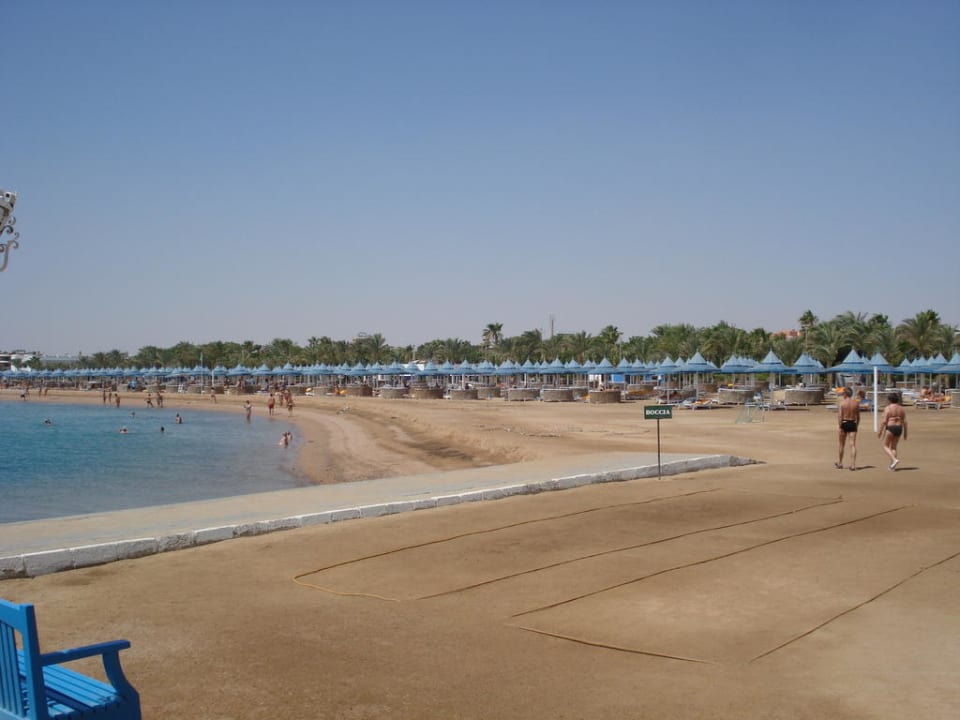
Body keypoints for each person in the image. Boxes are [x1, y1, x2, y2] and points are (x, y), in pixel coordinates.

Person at [878, 392, 908, 470]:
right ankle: (893, 466)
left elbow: (884, 421)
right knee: (894, 447)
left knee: (885, 446)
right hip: (899, 428)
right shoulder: (901, 408)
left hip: (891, 427)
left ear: (889, 400)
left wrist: (880, 431)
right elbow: (905, 422)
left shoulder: (888, 408)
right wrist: (905, 433)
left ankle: (894, 460)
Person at [836, 387, 860, 470]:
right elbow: (858, 416)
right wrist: (857, 425)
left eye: (843, 393)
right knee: (852, 444)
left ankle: (840, 463)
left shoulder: (842, 403)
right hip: (853, 423)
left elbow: (840, 416)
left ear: (845, 394)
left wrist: (840, 426)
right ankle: (853, 464)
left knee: (841, 444)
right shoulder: (856, 403)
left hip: (844, 423)